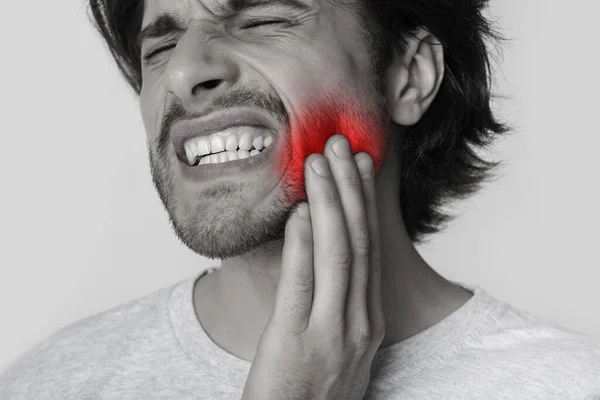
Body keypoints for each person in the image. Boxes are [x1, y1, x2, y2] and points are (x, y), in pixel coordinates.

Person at [2, 0, 599, 397]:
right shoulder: (49, 385)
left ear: (409, 75)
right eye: (159, 48)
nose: (184, 72)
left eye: (261, 18)